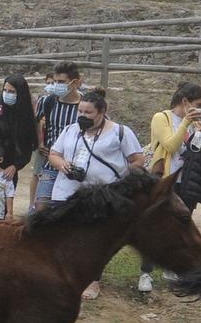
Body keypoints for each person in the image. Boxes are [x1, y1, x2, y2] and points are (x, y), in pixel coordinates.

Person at [46, 89, 145, 297]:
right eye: (80, 111)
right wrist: (62, 164)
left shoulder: (120, 132)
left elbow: (137, 160)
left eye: (88, 112)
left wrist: (122, 184)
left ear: (102, 112)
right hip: (66, 192)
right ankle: (61, 275)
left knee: (93, 239)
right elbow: (54, 154)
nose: (82, 115)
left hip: (100, 196)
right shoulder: (70, 130)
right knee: (62, 234)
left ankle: (91, 280)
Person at [32, 63, 84, 212]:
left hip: (77, 166)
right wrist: (39, 141)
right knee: (41, 208)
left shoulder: (86, 104)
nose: (56, 86)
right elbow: (35, 120)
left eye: (61, 82)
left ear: (74, 82)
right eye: (55, 81)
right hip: (51, 164)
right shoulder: (47, 101)